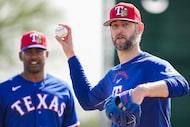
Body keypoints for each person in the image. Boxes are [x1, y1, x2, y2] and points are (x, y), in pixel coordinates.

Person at [55, 2, 189, 127]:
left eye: (125, 24)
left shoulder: (151, 65)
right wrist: (70, 54)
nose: (119, 30)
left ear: (139, 28)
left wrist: (142, 91)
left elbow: (181, 85)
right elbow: (86, 101)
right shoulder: (112, 76)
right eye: (115, 25)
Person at [0, 31, 80, 127]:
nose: (34, 56)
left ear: (46, 55)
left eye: (38, 52)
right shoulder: (4, 90)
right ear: (21, 56)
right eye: (29, 52)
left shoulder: (63, 89)